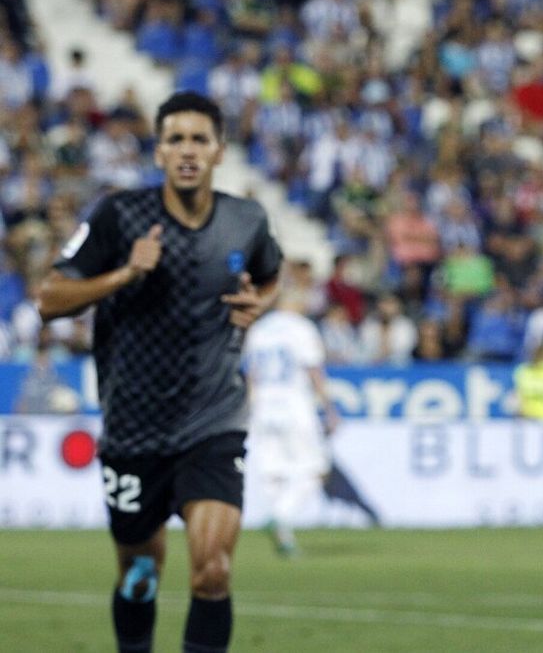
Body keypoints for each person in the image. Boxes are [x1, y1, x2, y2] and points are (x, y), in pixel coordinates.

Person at [37, 91, 282, 653]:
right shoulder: (118, 216)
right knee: (139, 577)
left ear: (219, 151)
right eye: (176, 140)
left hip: (214, 423)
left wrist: (261, 302)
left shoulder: (246, 219)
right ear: (159, 152)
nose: (188, 151)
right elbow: (49, 299)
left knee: (213, 569)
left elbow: (272, 273)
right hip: (133, 432)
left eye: (200, 139)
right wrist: (125, 274)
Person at [243, 286, 338, 557]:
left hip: (262, 408)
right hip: (294, 406)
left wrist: (250, 410)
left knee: (274, 472)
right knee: (316, 468)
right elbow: (313, 371)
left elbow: (251, 375)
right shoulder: (301, 328)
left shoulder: (259, 330)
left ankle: (284, 536)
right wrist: (330, 408)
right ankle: (281, 517)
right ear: (294, 301)